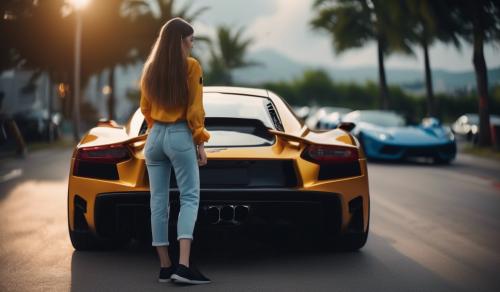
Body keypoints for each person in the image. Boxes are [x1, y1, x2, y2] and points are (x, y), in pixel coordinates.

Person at [140, 17, 211, 285]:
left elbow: (145, 108)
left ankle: (164, 266)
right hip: (180, 134)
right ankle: (183, 266)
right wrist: (200, 143)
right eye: (191, 40)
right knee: (189, 198)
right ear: (180, 41)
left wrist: (156, 130)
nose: (192, 46)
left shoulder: (149, 70)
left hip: (154, 136)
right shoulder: (191, 67)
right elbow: (195, 109)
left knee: (158, 202)